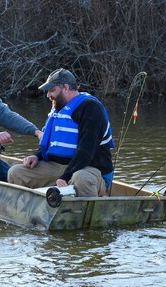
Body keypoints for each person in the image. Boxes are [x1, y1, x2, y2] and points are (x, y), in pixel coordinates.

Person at [7, 68, 115, 197]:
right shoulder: (59, 108)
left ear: (66, 88)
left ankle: (89, 214)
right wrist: (37, 156)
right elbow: (55, 143)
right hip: (60, 167)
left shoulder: (90, 108)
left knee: (81, 178)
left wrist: (65, 176)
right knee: (16, 172)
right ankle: (31, 212)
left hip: (90, 169)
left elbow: (86, 150)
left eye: (52, 90)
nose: (48, 95)